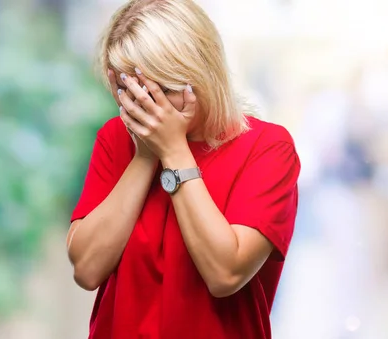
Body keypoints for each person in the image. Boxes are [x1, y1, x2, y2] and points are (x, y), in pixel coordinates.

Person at [65, 1, 301, 338]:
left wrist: (174, 151)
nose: (147, 107)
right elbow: (87, 269)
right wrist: (145, 157)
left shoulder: (268, 148)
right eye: (132, 92)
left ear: (200, 72)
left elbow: (225, 274)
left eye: (162, 90)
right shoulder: (117, 138)